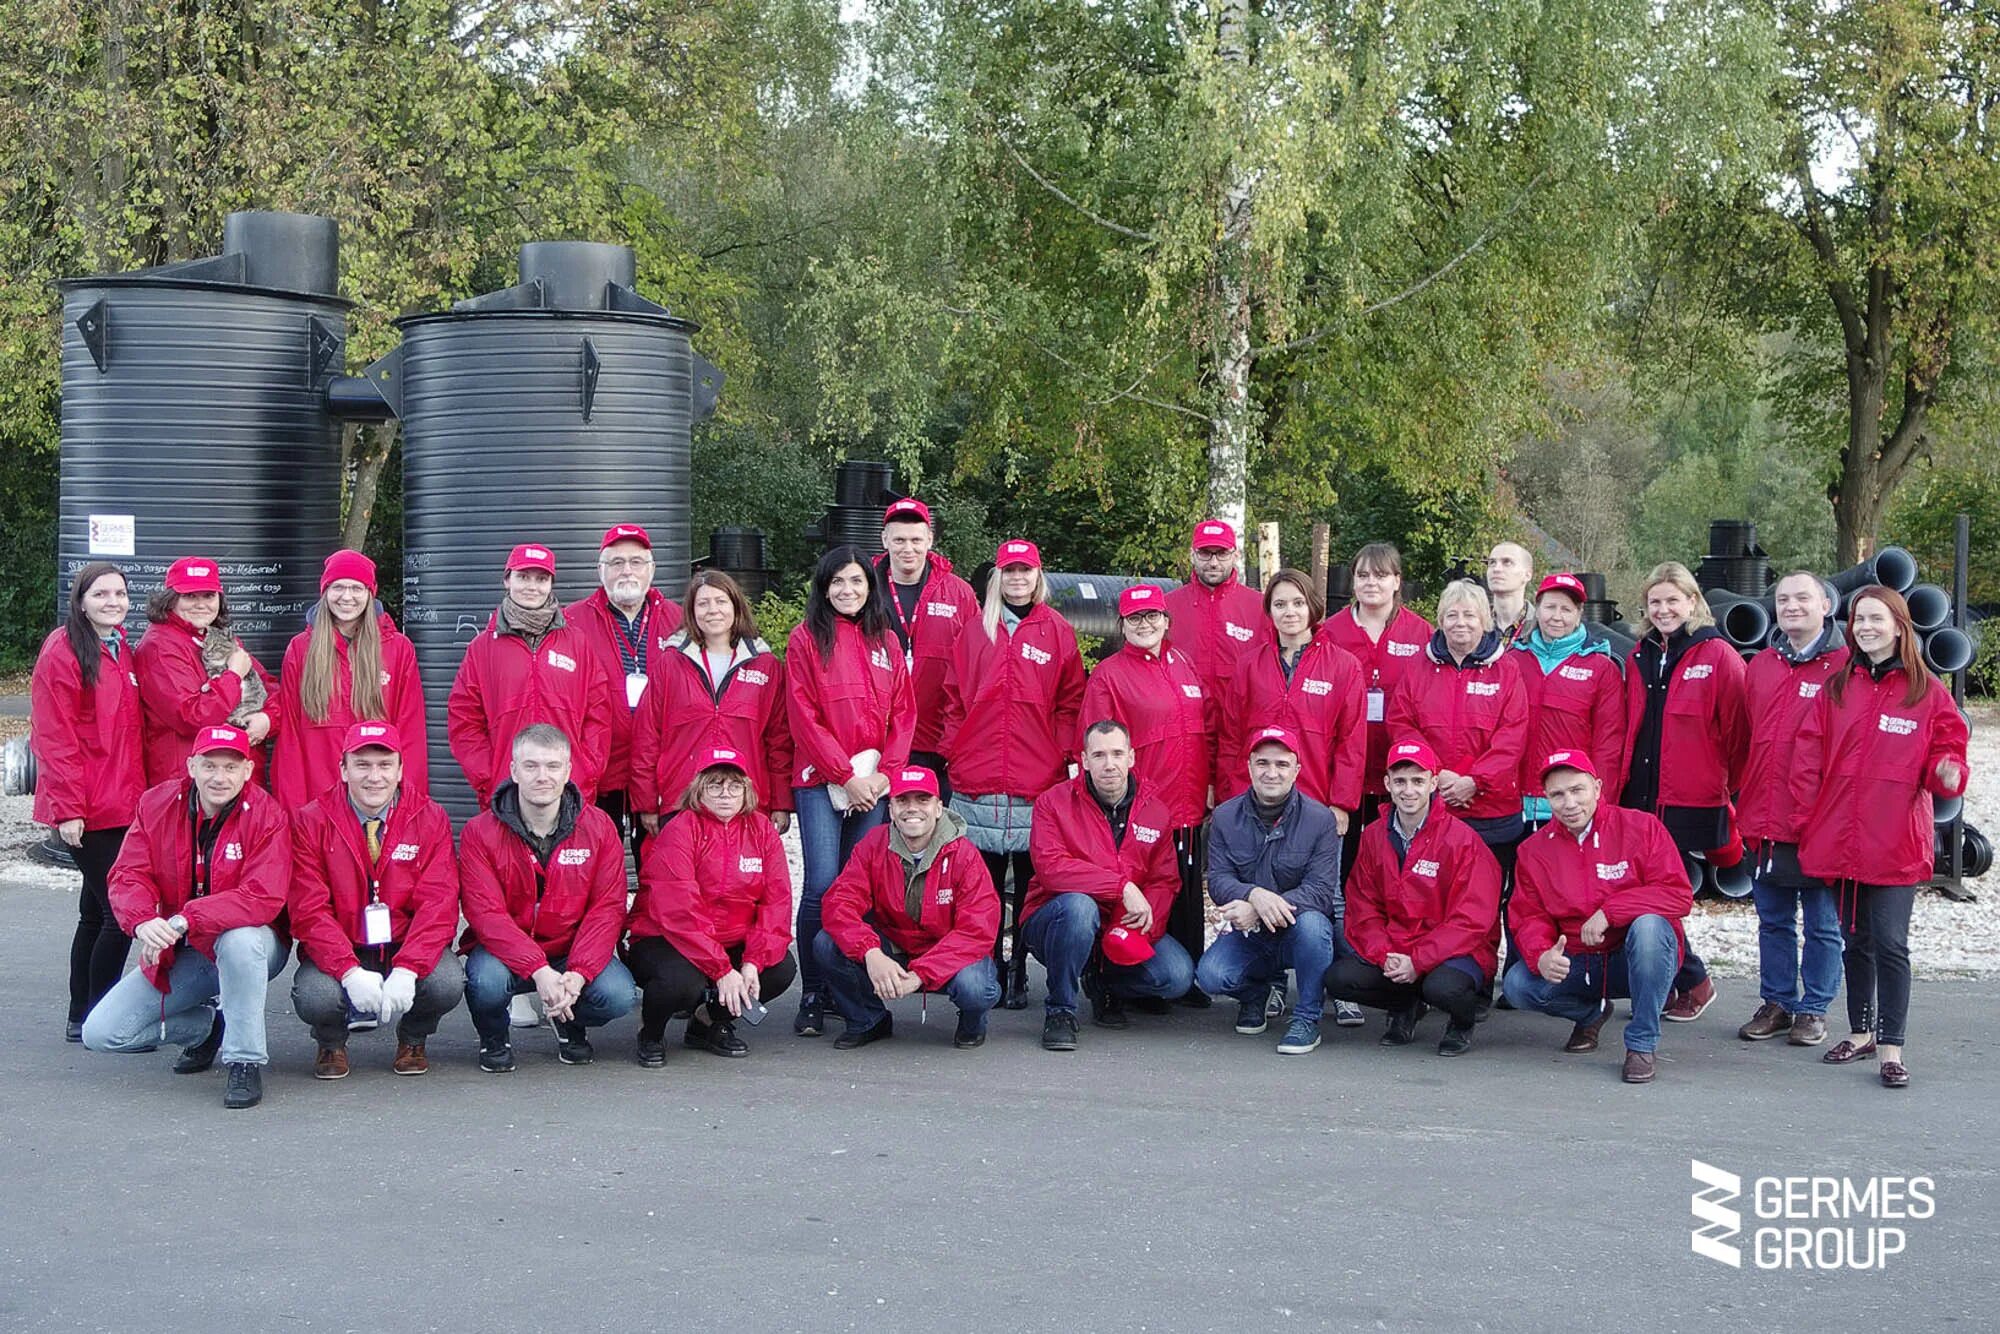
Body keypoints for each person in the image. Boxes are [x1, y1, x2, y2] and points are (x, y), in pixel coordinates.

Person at [1792, 586, 1969, 1089]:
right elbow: (1807, 754)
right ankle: (1861, 1031)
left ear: (1898, 625)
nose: (1865, 627)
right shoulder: (1837, 687)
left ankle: (1892, 1046)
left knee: (1890, 943)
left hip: (1893, 841)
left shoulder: (1925, 690)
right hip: (1838, 838)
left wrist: (1948, 771)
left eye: (1876, 618)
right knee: (1855, 942)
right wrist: (1808, 818)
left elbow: (1947, 746)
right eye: (1858, 619)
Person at [82, 724, 291, 1110]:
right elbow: (129, 874)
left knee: (241, 940)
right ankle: (206, 1028)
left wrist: (186, 918)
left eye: (231, 767)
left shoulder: (267, 815)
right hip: (186, 949)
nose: (219, 777)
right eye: (209, 765)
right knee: (103, 1033)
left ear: (248, 770)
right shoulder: (155, 804)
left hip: (254, 946)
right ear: (191, 765)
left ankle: (244, 1058)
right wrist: (143, 920)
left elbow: (263, 897)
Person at [937, 539, 1086, 1009]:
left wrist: (1061, 755)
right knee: (980, 887)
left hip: (1033, 778)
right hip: (977, 774)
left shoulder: (1057, 631)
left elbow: (1070, 701)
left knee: (1026, 886)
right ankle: (989, 965)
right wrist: (952, 753)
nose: (1017, 579)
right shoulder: (974, 630)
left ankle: (1019, 966)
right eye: (1009, 571)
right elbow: (953, 698)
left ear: (1037, 576)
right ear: (997, 577)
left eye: (1026, 571)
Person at [786, 545, 916, 1037]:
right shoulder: (805, 639)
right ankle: (814, 994)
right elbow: (803, 715)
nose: (847, 590)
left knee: (856, 888)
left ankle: (847, 989)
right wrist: (844, 775)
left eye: (857, 581)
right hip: (823, 781)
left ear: (870, 585)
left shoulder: (885, 639)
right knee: (821, 885)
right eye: (837, 582)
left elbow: (904, 712)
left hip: (876, 782)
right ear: (824, 588)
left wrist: (888, 776)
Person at [1503, 749, 1695, 1084]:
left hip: (1631, 957)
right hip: (1579, 961)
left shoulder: (1642, 827)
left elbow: (1677, 894)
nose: (1569, 803)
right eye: (1557, 795)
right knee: (1518, 985)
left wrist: (1610, 912)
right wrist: (1542, 954)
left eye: (1577, 790)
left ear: (1597, 787)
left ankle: (1641, 1043)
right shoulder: (1533, 850)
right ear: (1547, 799)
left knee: (1650, 928)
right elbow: (1528, 915)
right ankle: (1591, 1013)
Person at [287, 722, 463, 1079]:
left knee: (447, 982)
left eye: (385, 765)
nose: (374, 777)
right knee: (316, 995)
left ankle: (413, 1038)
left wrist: (408, 968)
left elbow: (439, 904)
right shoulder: (311, 821)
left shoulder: (430, 818)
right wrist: (348, 971)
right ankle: (331, 1042)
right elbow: (308, 909)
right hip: (343, 945)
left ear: (400, 769)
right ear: (343, 768)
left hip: (403, 944)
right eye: (362, 764)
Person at [457, 724, 637, 1071]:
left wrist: (579, 973)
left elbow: (607, 909)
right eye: (531, 766)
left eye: (553, 766)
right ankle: (494, 1039)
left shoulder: (599, 828)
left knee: (618, 995)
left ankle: (568, 1020)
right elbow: (485, 914)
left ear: (568, 771)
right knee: (486, 981)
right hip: (505, 954)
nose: (543, 776)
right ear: (513, 770)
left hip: (569, 951)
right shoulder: (479, 832)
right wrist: (538, 969)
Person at [1386, 579, 1529, 999]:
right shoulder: (1417, 668)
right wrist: (1438, 778)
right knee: (1432, 898)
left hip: (1491, 811)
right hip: (1434, 807)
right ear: (1441, 620)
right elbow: (1402, 724)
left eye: (1469, 615)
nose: (1460, 623)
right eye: (1452, 614)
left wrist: (1472, 781)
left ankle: (1477, 983)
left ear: (1485, 620)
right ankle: (1431, 980)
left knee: (1483, 903)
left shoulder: (1507, 670)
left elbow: (1512, 736)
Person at [1617, 561, 1744, 1022]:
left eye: (1673, 600)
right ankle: (1677, 979)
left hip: (1689, 798)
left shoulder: (1718, 656)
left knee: (1657, 893)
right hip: (1641, 796)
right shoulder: (1639, 654)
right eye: (1655, 601)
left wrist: (1732, 795)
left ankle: (1693, 980)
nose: (1664, 609)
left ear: (1692, 602)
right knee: (1638, 889)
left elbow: (1738, 734)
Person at [1079, 583, 1217, 1000]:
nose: (1145, 624)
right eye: (1135, 618)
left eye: (1152, 616)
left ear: (1166, 620)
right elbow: (1098, 748)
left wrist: (1209, 787)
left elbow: (1205, 730)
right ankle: (1115, 980)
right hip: (1143, 809)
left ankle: (1184, 977)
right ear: (1122, 625)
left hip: (1189, 804)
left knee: (1184, 896)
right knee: (1140, 893)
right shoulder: (1110, 675)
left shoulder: (1183, 664)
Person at [1020, 720, 1194, 1050]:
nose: (1109, 764)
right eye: (1099, 755)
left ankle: (1105, 981)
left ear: (1131, 757)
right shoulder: (1053, 803)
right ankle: (1060, 1010)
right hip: (1057, 920)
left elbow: (1164, 879)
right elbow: (1051, 869)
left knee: (1177, 976)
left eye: (1117, 753)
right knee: (1078, 908)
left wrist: (1136, 930)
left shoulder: (1155, 811)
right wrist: (1121, 887)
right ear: (1084, 760)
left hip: (1119, 925)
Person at [1327, 739, 1502, 1056]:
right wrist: (1384, 955)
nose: (1409, 790)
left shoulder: (1462, 841)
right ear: (1387, 784)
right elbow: (1362, 907)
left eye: (1418, 781)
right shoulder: (1374, 836)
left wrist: (1419, 960)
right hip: (1398, 946)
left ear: (1433, 782)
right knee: (1340, 979)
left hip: (1457, 952)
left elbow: (1471, 920)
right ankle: (1406, 1006)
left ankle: (1462, 1021)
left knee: (1443, 987)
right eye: (1401, 781)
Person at [626, 747, 797, 1067]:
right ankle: (650, 1033)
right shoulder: (680, 829)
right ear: (698, 789)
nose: (725, 794)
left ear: (747, 790)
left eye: (734, 785)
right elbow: (679, 911)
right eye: (715, 785)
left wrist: (752, 962)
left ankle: (706, 1023)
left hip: (730, 939)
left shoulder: (762, 831)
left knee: (780, 968)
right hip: (666, 938)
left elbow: (777, 903)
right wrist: (720, 970)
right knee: (683, 981)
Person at [1735, 570, 1848, 1047]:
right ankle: (1778, 1002)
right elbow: (1744, 739)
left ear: (1826, 604)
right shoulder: (1761, 665)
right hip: (1763, 816)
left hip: (1821, 821)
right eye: (1783, 599)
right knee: (1773, 920)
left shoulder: (1847, 666)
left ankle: (1814, 1008)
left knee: (1823, 923)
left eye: (1803, 597)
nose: (1792, 606)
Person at [812, 766, 1001, 1049]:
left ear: (939, 808)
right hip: (895, 947)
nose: (912, 809)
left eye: (922, 800)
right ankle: (868, 1019)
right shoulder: (873, 844)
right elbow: (839, 904)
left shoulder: (965, 855)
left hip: (946, 952)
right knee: (826, 943)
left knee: (975, 988)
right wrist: (870, 952)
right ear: (891, 809)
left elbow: (976, 932)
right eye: (903, 800)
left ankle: (972, 1022)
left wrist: (920, 975)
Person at [33, 562, 144, 1040]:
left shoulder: (120, 649)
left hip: (123, 801)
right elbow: (54, 738)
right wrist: (68, 809)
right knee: (121, 916)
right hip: (90, 807)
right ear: (81, 600)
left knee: (95, 913)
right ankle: (103, 1020)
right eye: (102, 594)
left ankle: (81, 1016)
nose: (113, 601)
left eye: (120, 593)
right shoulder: (64, 651)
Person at [1196, 726, 1343, 1055]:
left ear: (1296, 770)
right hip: (1250, 935)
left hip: (1298, 931)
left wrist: (1263, 906)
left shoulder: (1320, 820)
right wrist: (1253, 895)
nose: (1271, 772)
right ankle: (1254, 995)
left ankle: (1307, 1017)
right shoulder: (1224, 816)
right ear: (1249, 767)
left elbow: (1320, 892)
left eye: (1281, 764)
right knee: (1211, 975)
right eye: (1262, 763)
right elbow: (1218, 880)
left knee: (1316, 926)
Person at [447, 542, 618, 808]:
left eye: (541, 579)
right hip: (506, 790)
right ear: (507, 580)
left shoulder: (577, 643)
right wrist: (489, 774)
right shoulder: (482, 649)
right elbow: (464, 719)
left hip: (568, 788)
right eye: (523, 577)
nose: (532, 586)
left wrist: (586, 770)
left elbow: (599, 713)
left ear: (551, 583)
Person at [630, 569, 792, 837]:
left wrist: (781, 802)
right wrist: (647, 801)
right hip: (681, 798)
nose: (712, 610)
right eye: (703, 603)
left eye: (720, 601)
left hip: (745, 800)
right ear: (691, 612)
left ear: (736, 606)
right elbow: (647, 736)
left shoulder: (766, 666)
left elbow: (779, 740)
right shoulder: (669, 664)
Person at [271, 549, 429, 809]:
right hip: (318, 802)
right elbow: (290, 738)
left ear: (370, 593)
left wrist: (409, 805)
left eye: (357, 588)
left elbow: (410, 733)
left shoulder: (398, 649)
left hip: (379, 799)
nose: (347, 597)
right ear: (325, 592)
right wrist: (294, 811)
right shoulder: (301, 649)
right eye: (338, 587)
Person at [564, 523, 685, 857]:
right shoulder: (571, 622)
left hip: (660, 762)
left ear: (652, 569)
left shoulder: (681, 621)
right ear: (600, 570)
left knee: (662, 861)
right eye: (616, 563)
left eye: (636, 562)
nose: (626, 570)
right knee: (596, 857)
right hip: (600, 766)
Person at [1321, 542, 1433, 872]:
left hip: (1400, 773)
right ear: (1353, 581)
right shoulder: (1330, 632)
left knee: (1395, 865)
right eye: (1363, 575)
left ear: (1397, 581)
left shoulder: (1421, 633)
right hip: (1342, 773)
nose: (1372, 582)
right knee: (1349, 869)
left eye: (1381, 575)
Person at [134, 556, 277, 785]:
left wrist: (268, 719)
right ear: (170, 599)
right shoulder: (159, 647)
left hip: (236, 776)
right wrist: (233, 676)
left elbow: (270, 689)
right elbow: (192, 717)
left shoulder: (218, 636)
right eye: (190, 596)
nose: (201, 604)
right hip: (188, 782)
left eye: (209, 596)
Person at [875, 498, 978, 797]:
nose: (908, 548)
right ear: (885, 540)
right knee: (877, 834)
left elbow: (973, 668)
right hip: (878, 739)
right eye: (899, 540)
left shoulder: (959, 593)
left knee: (928, 827)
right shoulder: (863, 588)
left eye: (916, 540)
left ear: (930, 539)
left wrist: (955, 739)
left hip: (935, 738)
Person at [1512, 573, 1625, 832]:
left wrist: (1600, 803)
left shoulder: (1600, 668)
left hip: (1569, 808)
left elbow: (1608, 744)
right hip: (1512, 805)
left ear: (1578, 614)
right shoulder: (1513, 660)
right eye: (1550, 607)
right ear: (1537, 609)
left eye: (1566, 609)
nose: (1557, 616)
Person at [1162, 518, 1267, 708]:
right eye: (1205, 553)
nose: (1213, 562)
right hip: (1186, 719)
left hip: (1240, 721)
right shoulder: (1166, 607)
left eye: (1221, 554)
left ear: (1236, 555)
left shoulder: (1260, 607)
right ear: (1192, 555)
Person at [1485, 541, 1534, 646]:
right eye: (1492, 562)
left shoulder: (1542, 627)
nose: (1496, 569)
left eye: (1507, 562)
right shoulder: (1474, 624)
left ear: (1527, 575)